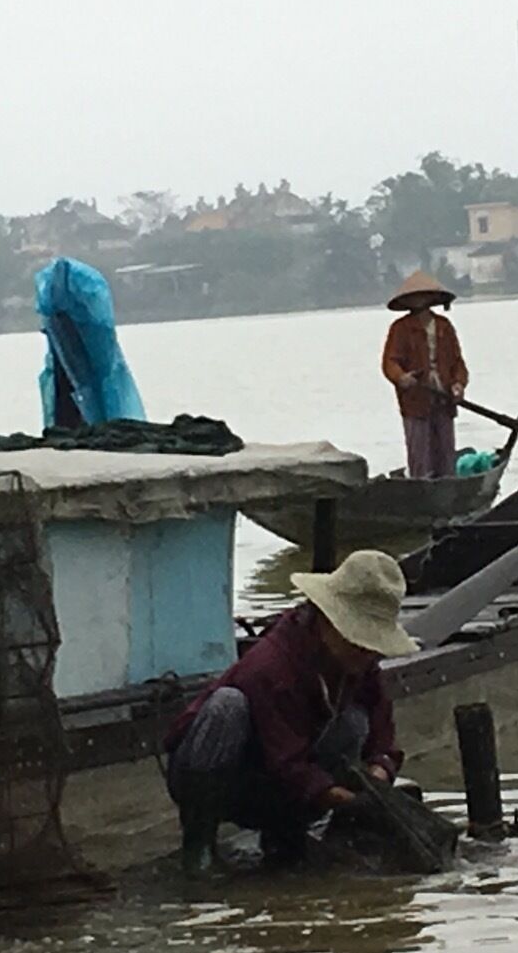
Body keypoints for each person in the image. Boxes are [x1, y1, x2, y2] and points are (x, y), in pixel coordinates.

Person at [162, 549, 418, 871]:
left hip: (286, 785)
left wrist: (378, 774)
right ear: (326, 621)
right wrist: (341, 798)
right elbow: (286, 761)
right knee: (226, 707)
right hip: (235, 773)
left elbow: (382, 734)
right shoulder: (272, 666)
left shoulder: (360, 665)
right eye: (355, 639)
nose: (364, 652)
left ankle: (284, 835)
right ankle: (198, 845)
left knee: (354, 723)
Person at [381, 269, 468, 479]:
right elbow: (390, 362)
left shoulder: (444, 327)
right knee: (419, 452)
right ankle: (421, 488)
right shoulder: (401, 328)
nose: (419, 299)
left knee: (446, 450)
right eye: (414, 296)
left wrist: (458, 384)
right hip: (415, 399)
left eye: (423, 295)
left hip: (444, 397)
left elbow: (458, 363)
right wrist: (402, 378)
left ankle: (448, 487)